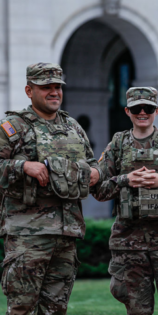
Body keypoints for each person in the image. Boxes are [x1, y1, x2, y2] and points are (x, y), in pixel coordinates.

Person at [0, 62, 101, 314]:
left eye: (58, 86)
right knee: (23, 308)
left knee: (56, 309)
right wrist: (22, 167)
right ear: (29, 90)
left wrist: (97, 173)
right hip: (28, 235)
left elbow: (92, 164)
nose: (54, 92)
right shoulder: (14, 128)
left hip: (67, 236)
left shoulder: (73, 128)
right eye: (46, 87)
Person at [93, 87, 158, 315]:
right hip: (129, 244)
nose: (142, 112)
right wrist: (126, 179)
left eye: (148, 108)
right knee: (137, 310)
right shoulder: (117, 144)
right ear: (127, 111)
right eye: (137, 108)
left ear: (157, 110)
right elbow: (98, 191)